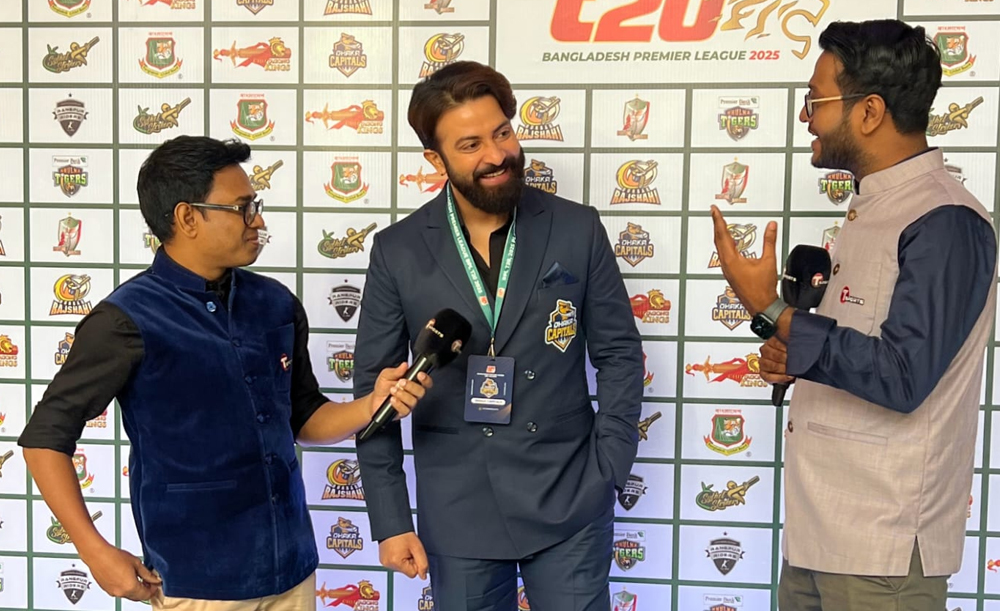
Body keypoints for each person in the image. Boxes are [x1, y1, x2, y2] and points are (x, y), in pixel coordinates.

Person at [18, 136, 431, 609]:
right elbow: (44, 440)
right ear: (187, 217)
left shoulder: (275, 303)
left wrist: (372, 405)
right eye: (242, 208)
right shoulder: (125, 320)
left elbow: (303, 418)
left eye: (255, 206)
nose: (258, 221)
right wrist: (94, 552)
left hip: (293, 571)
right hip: (197, 584)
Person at [711, 19, 997, 611]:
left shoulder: (945, 221)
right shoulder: (876, 206)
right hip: (820, 534)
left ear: (869, 112)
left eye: (814, 101)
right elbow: (858, 348)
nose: (805, 117)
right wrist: (793, 350)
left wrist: (770, 308)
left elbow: (903, 374)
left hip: (882, 553)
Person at [352, 61, 643, 610]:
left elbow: (619, 353)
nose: (496, 154)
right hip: (457, 508)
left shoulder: (577, 227)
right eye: (471, 145)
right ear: (435, 160)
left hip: (569, 497)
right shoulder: (398, 250)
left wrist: (609, 466)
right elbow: (376, 392)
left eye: (502, 132)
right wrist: (390, 519)